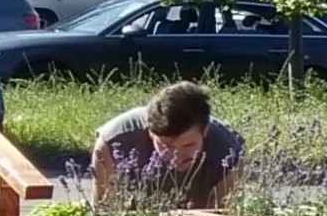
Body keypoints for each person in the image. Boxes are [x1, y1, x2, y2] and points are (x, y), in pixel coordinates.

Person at [91, 80, 244, 208]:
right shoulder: (113, 143)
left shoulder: (229, 149)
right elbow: (104, 214)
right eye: (166, 146)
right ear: (151, 133)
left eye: (188, 145)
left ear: (205, 132)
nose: (175, 156)